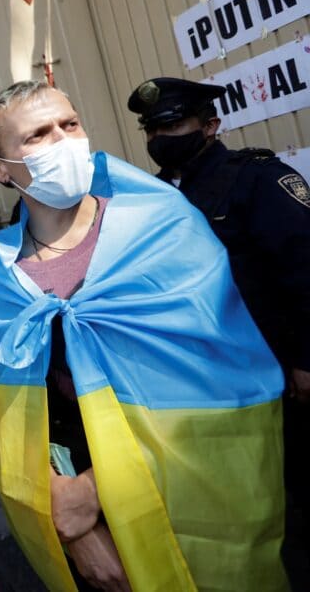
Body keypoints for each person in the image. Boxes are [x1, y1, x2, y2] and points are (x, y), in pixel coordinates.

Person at [0, 79, 285, 591]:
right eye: (37, 136)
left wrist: (101, 488)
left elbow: (217, 376)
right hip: (85, 521)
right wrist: (73, 523)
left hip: (194, 493)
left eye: (70, 124)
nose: (64, 142)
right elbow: (0, 416)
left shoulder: (162, 224)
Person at [127, 76, 310, 587]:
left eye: (173, 124)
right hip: (211, 388)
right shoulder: (157, 196)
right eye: (151, 130)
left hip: (279, 376)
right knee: (249, 508)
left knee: (296, 501)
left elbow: (304, 269)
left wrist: (306, 360)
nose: (160, 139)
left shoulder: (255, 179)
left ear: (210, 125)